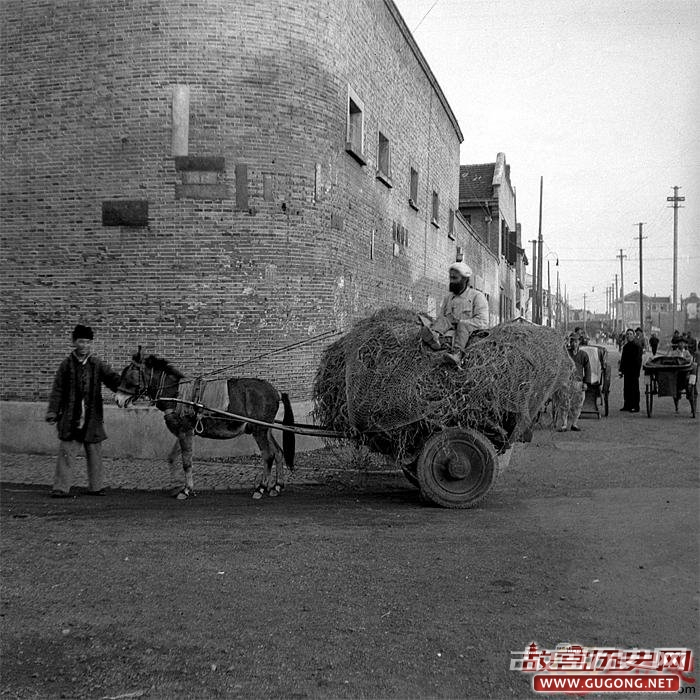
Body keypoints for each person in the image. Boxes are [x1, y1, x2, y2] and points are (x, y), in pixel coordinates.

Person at [45, 324, 122, 498]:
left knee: (95, 453)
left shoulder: (97, 364)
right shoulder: (65, 365)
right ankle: (60, 487)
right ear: (74, 342)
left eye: (88, 342)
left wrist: (127, 384)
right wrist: (52, 412)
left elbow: (112, 379)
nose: (84, 346)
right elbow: (57, 390)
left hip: (92, 417)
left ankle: (96, 487)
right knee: (67, 452)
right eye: (81, 342)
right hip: (71, 417)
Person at [419, 261, 489, 364]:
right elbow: (442, 317)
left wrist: (461, 322)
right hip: (449, 331)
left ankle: (457, 354)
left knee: (463, 324)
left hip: (467, 331)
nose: (451, 281)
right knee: (443, 320)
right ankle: (434, 337)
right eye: (451, 278)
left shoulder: (477, 297)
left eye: (455, 278)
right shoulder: (448, 298)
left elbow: (483, 321)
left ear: (465, 280)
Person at [555, 333, 591, 432]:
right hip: (566, 382)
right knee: (564, 403)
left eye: (576, 341)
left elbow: (587, 369)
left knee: (578, 404)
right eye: (572, 341)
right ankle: (564, 424)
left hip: (578, 383)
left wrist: (586, 382)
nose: (574, 344)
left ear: (579, 342)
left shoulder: (583, 355)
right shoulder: (565, 354)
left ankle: (574, 423)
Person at [618, 328, 643, 413]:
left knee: (634, 389)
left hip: (634, 371)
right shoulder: (625, 347)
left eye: (630, 334)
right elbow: (623, 360)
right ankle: (627, 405)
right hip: (627, 371)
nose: (629, 336)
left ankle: (635, 406)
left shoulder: (637, 346)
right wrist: (621, 370)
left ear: (633, 335)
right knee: (626, 388)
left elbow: (639, 360)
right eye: (627, 334)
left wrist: (637, 372)